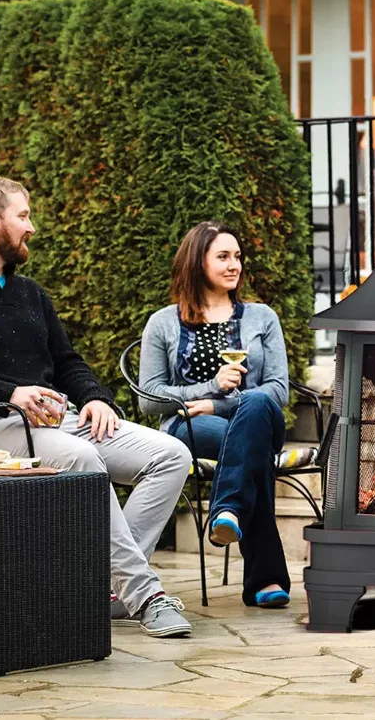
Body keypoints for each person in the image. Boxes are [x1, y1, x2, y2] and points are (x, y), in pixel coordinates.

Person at [0, 175, 192, 638]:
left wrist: (95, 397)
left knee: (171, 455)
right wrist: (10, 393)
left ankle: (107, 589)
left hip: (59, 422)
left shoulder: (31, 293)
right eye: (23, 215)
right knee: (83, 458)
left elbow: (67, 360)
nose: (31, 227)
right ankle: (145, 594)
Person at [138, 221, 291, 608]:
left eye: (237, 256)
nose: (234, 265)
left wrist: (218, 404)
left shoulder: (262, 317)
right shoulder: (163, 322)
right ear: (196, 262)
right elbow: (149, 398)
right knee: (251, 451)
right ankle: (266, 580)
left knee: (255, 409)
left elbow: (278, 390)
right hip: (189, 427)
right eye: (223, 256)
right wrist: (206, 390)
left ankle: (227, 509)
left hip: (253, 418)